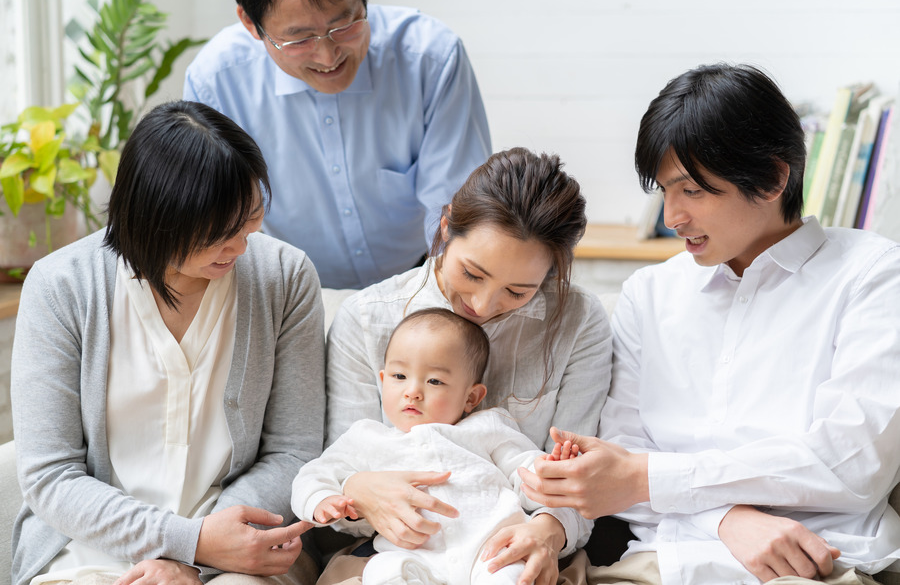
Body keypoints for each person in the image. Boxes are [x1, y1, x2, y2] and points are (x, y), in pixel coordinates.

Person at [518, 63, 900, 584]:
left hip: (819, 563)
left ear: (771, 177)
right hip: (654, 562)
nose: (671, 216)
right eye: (664, 190)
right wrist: (725, 518)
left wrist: (647, 479)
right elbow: (618, 470)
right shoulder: (649, 295)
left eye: (692, 191)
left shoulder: (873, 274)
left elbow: (849, 463)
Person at [10, 101, 326, 585]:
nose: (241, 248)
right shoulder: (60, 287)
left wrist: (200, 555)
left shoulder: (284, 276)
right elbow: (50, 475)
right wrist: (185, 540)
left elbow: (293, 449)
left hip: (242, 548)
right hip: (89, 544)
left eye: (252, 218)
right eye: (220, 234)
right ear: (154, 221)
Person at [322, 147, 613, 585]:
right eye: (472, 274)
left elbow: (577, 484)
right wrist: (359, 491)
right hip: (395, 552)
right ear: (445, 228)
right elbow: (337, 470)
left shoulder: (578, 322)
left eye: (518, 291)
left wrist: (549, 530)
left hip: (518, 550)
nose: (483, 305)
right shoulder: (367, 318)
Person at [183, 0, 491, 290]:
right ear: (251, 23)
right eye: (300, 39)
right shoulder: (216, 82)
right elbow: (217, 224)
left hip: (420, 273)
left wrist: (442, 300)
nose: (328, 56)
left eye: (344, 25)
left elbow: (457, 211)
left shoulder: (430, 58)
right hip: (294, 286)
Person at [293, 308, 592, 585]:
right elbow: (312, 475)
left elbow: (525, 468)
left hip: (492, 550)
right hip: (412, 557)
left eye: (434, 381)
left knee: (512, 575)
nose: (412, 392)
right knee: (382, 571)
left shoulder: (488, 428)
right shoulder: (366, 438)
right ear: (383, 380)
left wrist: (550, 470)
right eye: (399, 376)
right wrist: (321, 499)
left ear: (471, 398)